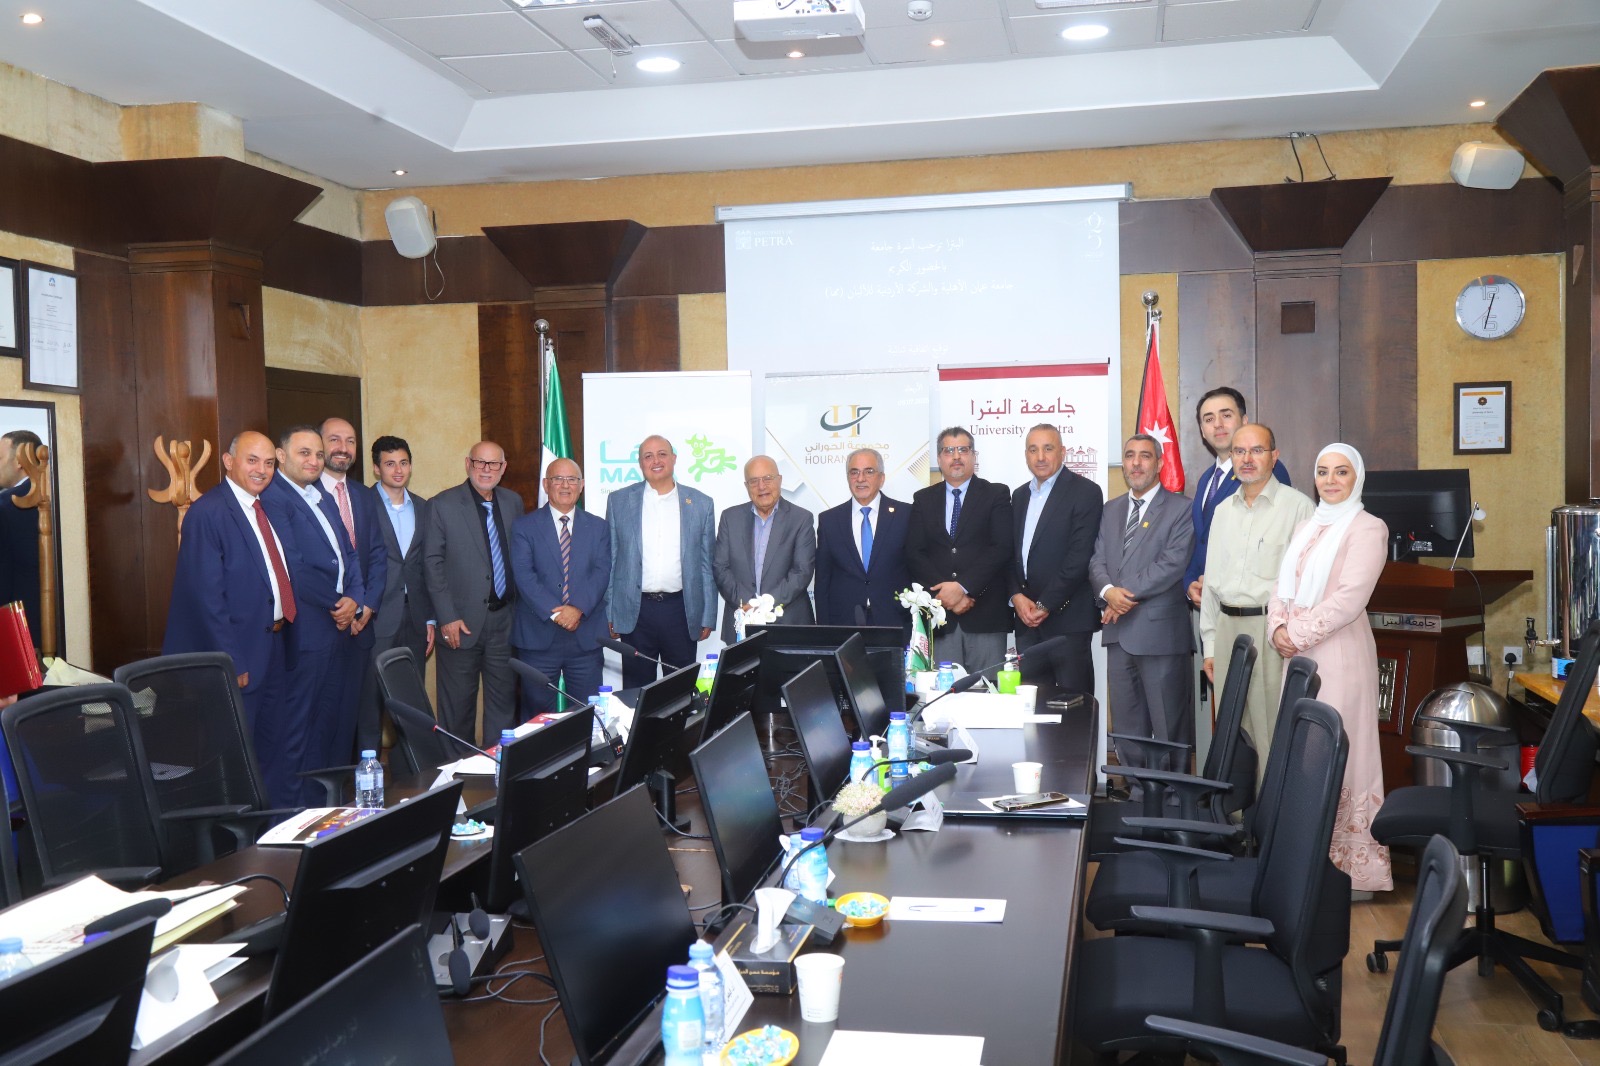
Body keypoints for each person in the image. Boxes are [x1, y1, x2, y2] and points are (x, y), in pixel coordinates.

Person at [1268, 443, 1393, 895]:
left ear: (1357, 477)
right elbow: (1281, 586)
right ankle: (1304, 869)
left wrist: (1295, 633)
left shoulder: (1368, 528)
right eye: (1323, 471)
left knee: (1340, 756)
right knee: (1303, 758)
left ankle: (1351, 876)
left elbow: (1349, 599)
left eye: (1341, 471)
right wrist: (1277, 627)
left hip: (1339, 656)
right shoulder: (1307, 525)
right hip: (1299, 660)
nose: (1331, 480)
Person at [163, 432, 298, 801]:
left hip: (274, 645)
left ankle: (272, 826)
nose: (261, 470)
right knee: (236, 756)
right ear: (228, 461)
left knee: (273, 750)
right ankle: (239, 834)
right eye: (252, 460)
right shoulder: (208, 513)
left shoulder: (266, 508)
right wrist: (231, 660)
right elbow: (207, 598)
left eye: (269, 463)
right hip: (238, 657)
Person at [1198, 423, 1315, 765]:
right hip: (1226, 631)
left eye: (1256, 450)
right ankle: (1235, 801)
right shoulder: (1222, 511)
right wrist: (1209, 645)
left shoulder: (1298, 508)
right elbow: (1211, 584)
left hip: (1270, 632)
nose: (1247, 459)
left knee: (1270, 732)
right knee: (1230, 735)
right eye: (1239, 451)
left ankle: (1270, 800)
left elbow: (1308, 585)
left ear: (1274, 456)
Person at [261, 426, 361, 804]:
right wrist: (339, 604)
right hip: (307, 630)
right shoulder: (274, 498)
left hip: (336, 627)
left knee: (326, 726)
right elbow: (293, 568)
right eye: (304, 453)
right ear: (281, 456)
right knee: (297, 730)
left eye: (319, 454)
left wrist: (355, 597)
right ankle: (290, 814)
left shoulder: (321, 494)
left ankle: (321, 809)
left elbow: (349, 554)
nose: (315, 461)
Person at [1088, 434, 1195, 788]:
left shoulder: (1181, 508)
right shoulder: (1111, 509)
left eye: (1145, 456)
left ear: (1160, 463)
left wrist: (1121, 595)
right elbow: (1097, 560)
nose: (1136, 463)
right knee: (1127, 725)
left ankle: (1174, 797)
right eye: (1129, 455)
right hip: (1118, 634)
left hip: (1160, 633)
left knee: (1168, 725)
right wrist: (1108, 592)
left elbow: (1172, 564)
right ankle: (1136, 793)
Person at [425, 441, 524, 745]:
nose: (486, 469)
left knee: (503, 707)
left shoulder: (513, 502)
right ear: (468, 464)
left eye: (493, 464)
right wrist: (447, 617)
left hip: (504, 622)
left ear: (503, 468)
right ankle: (458, 772)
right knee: (457, 711)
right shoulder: (442, 504)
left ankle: (498, 768)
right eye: (480, 462)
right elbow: (431, 564)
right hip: (460, 623)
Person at [606, 435, 716, 689]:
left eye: (662, 454)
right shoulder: (619, 501)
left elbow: (706, 564)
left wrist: (708, 614)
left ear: (674, 459)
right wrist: (610, 611)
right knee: (635, 692)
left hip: (680, 610)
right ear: (640, 463)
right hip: (635, 611)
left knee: (679, 691)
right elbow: (612, 559)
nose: (655, 461)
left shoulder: (701, 503)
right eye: (648, 456)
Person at [905, 427, 1012, 671]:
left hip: (986, 616)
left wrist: (963, 587)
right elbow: (914, 552)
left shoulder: (996, 494)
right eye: (948, 451)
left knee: (986, 689)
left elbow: (1001, 547)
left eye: (963, 450)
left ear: (974, 455)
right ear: (939, 458)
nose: (956, 456)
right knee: (943, 690)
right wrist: (946, 595)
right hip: (941, 618)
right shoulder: (923, 499)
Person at [511, 458, 610, 715]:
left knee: (588, 714)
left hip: (585, 636)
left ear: (581, 485)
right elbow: (524, 575)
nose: (565, 485)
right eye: (558, 479)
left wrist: (577, 609)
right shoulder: (524, 526)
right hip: (538, 635)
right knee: (537, 718)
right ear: (546, 485)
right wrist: (557, 613)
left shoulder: (599, 527)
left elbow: (602, 572)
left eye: (572, 480)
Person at [1008, 424, 1103, 692]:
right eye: (1033, 450)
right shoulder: (1019, 496)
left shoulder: (1086, 492)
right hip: (1027, 620)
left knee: (1075, 703)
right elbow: (1010, 554)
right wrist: (1016, 596)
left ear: (1062, 452)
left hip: (1068, 620)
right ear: (1026, 455)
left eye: (1048, 448)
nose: (1040, 457)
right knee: (1032, 703)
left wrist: (1045, 604)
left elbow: (1079, 557)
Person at [1185, 387, 1292, 607]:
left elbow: (1269, 545)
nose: (1218, 424)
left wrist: (1217, 582)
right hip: (1208, 602)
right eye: (1209, 419)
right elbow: (1201, 541)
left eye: (1226, 415)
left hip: (1252, 607)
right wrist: (1190, 582)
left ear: (1244, 422)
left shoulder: (1267, 470)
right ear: (1202, 431)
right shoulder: (1206, 479)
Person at [320, 417, 386, 759]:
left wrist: (366, 606)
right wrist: (343, 609)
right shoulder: (305, 494)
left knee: (356, 715)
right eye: (334, 439)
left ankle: (353, 783)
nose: (343, 448)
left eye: (350, 441)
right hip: (324, 625)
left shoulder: (363, 495)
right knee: (323, 720)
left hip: (362, 626)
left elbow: (377, 554)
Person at [367, 434, 434, 749]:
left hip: (416, 617)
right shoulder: (362, 504)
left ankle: (410, 771)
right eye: (390, 463)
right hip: (376, 615)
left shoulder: (423, 507)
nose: (398, 470)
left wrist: (430, 619)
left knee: (410, 699)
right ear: (376, 468)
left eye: (404, 463)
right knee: (371, 700)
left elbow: (426, 566)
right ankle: (369, 769)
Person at [713, 455, 816, 642]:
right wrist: (746, 604)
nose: (761, 486)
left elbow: (802, 572)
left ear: (780, 480)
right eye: (754, 481)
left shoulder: (801, 519)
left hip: (788, 623)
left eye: (768, 478)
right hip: (741, 619)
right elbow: (720, 568)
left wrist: (762, 606)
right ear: (746, 486)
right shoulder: (730, 518)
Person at [814, 448, 912, 635]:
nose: (860, 479)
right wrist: (824, 630)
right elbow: (822, 581)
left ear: (881, 478)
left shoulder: (905, 515)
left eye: (869, 471)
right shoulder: (829, 520)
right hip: (844, 624)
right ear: (847, 478)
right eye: (854, 472)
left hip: (895, 621)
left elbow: (915, 570)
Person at [0, 429, 43, 647]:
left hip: (15, 625)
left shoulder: (5, 506)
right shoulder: (58, 494)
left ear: (20, 460)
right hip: (54, 621)